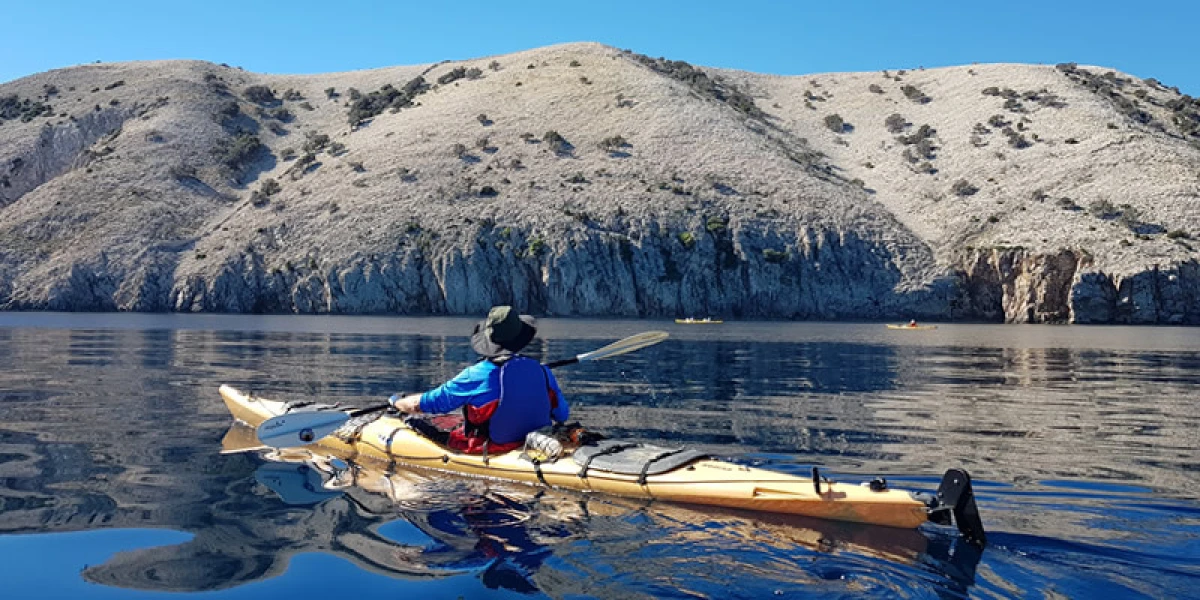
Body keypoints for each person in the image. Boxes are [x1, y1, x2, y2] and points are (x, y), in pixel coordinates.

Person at [389, 306, 570, 455]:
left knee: (417, 422)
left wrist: (397, 402)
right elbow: (562, 415)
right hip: (531, 441)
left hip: (489, 448)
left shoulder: (475, 375)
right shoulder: (543, 372)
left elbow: (424, 405)